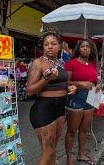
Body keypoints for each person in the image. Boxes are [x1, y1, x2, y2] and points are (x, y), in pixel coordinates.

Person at [26, 28, 77, 165]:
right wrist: (46, 79)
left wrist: (69, 87)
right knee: (47, 151)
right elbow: (29, 91)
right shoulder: (38, 63)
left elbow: (61, 83)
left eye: (53, 43)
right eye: (46, 44)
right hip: (44, 109)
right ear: (43, 46)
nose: (49, 46)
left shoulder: (60, 63)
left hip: (60, 109)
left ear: (59, 46)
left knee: (52, 149)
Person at [65, 38, 100, 165]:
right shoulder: (71, 63)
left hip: (92, 96)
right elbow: (65, 82)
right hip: (76, 97)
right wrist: (81, 84)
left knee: (84, 129)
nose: (85, 48)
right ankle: (69, 158)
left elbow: (94, 81)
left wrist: (98, 86)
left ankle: (81, 154)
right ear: (78, 49)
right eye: (83, 46)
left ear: (91, 50)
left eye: (88, 47)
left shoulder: (92, 64)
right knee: (72, 130)